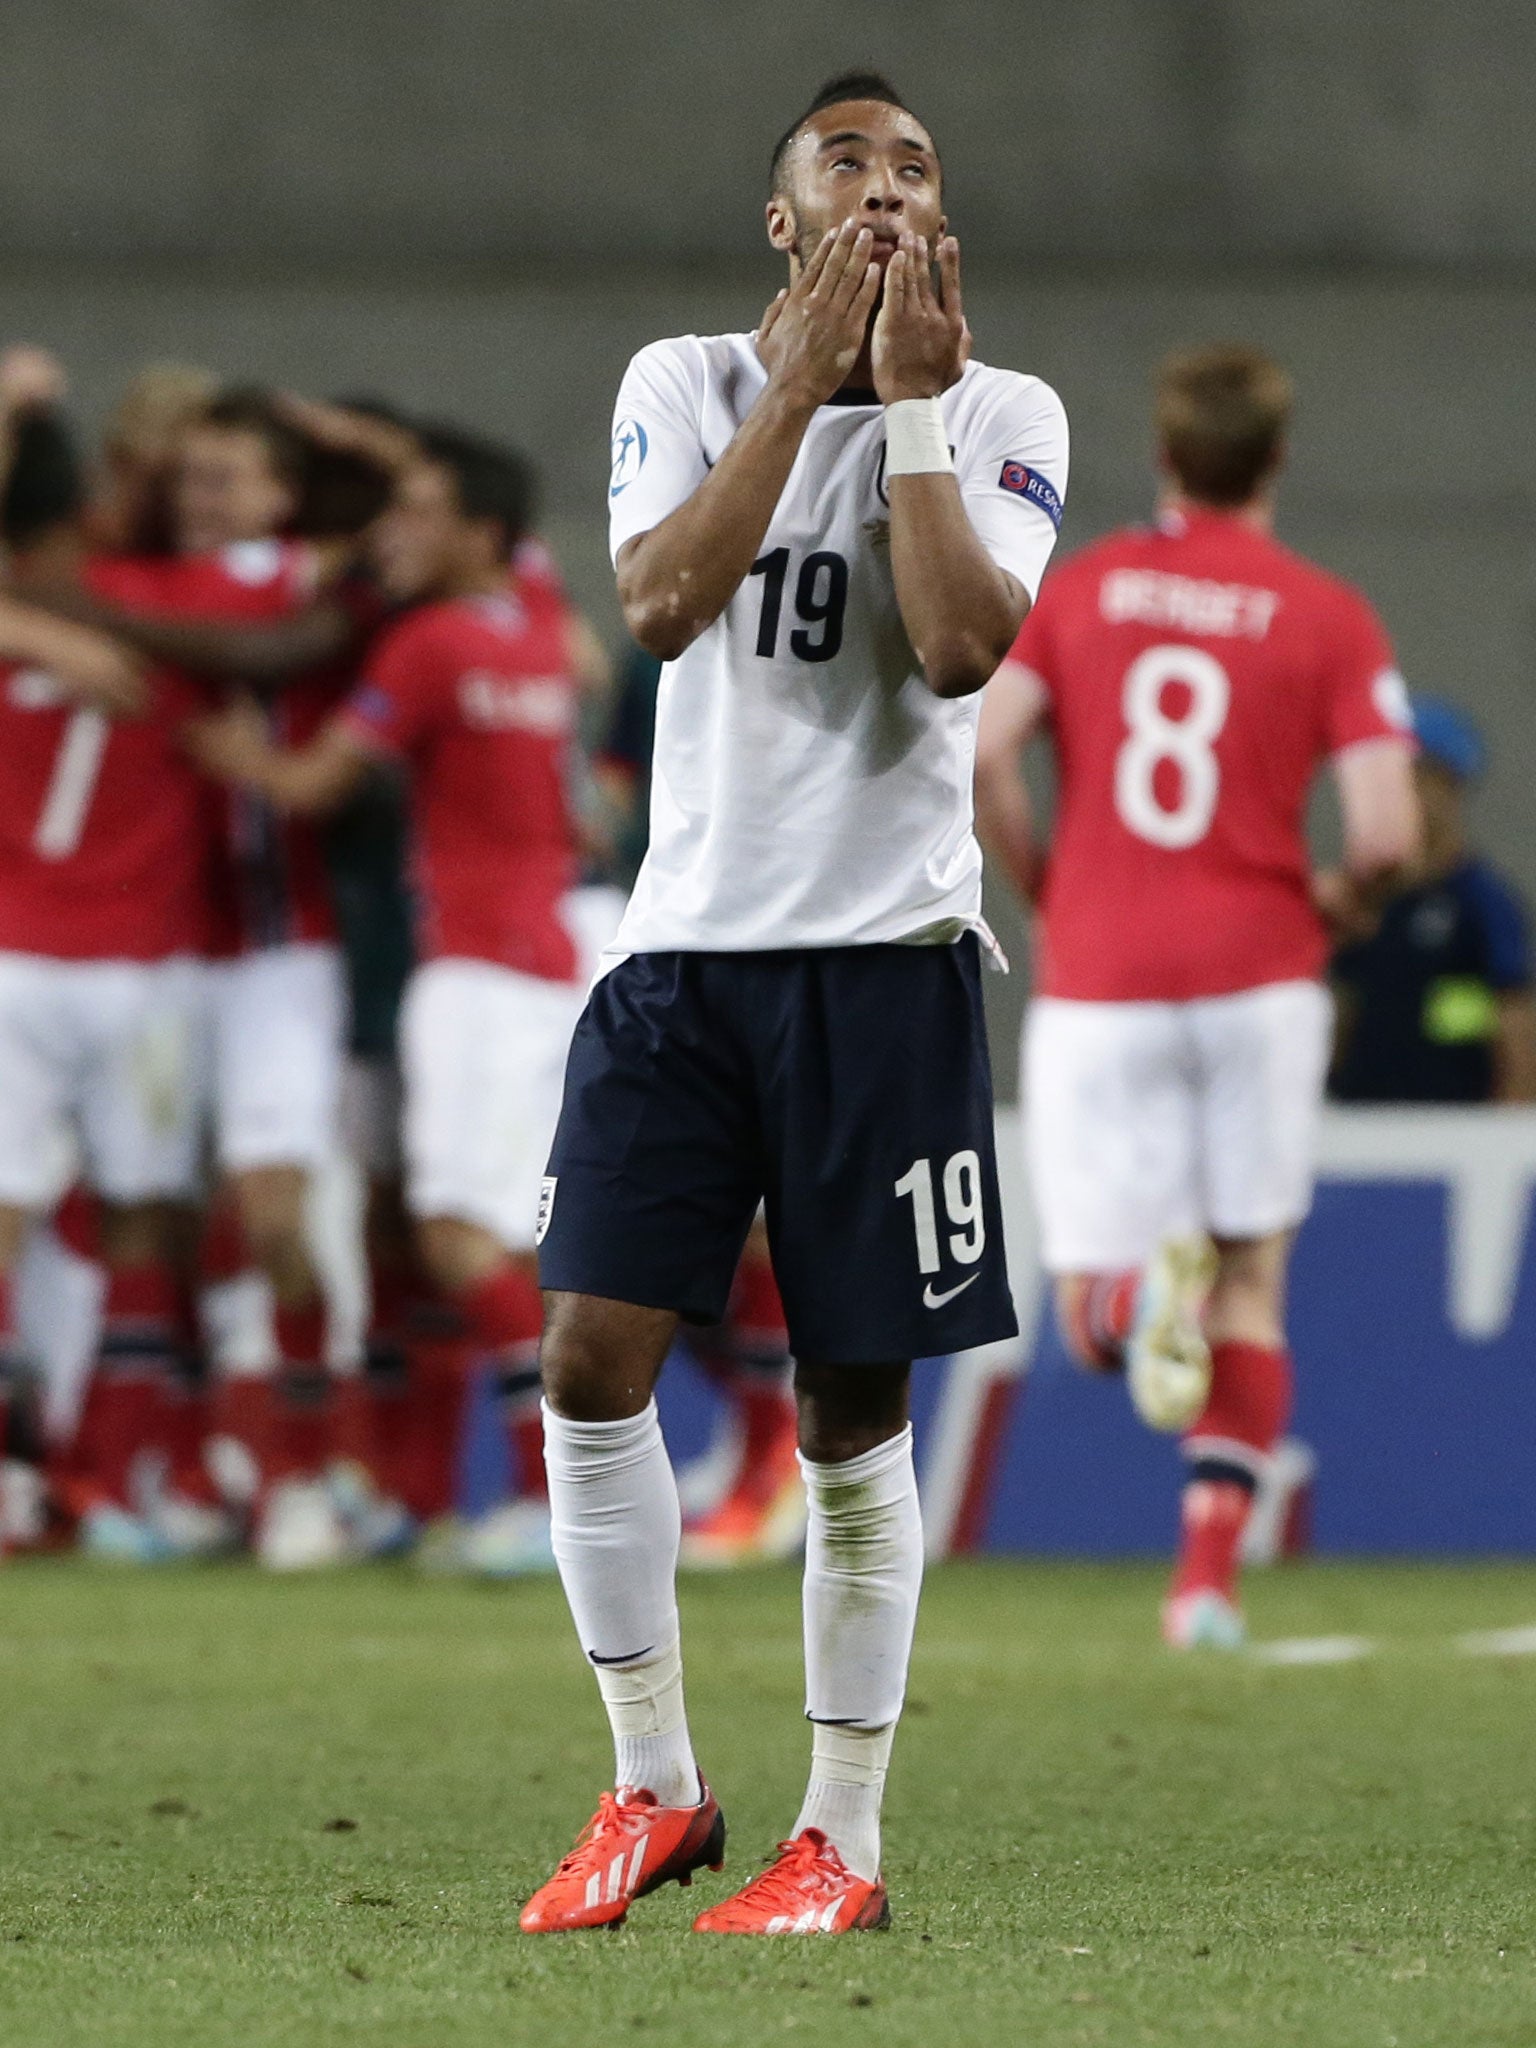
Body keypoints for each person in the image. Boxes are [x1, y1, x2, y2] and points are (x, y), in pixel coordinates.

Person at [520, 71, 1067, 1936]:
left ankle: (841, 1834)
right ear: (785, 220)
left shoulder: (1003, 409)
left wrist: (903, 411)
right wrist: (793, 388)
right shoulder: (676, 381)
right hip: (680, 963)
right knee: (587, 1365)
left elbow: (959, 645)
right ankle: (654, 1785)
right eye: (850, 165)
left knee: (850, 1417)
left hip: (884, 977)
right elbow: (663, 601)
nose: (889, 188)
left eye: (917, 166)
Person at [974, 343, 1419, 1650]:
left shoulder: (1087, 591)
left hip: (1103, 976)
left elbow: (987, 749)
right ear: (1276, 459)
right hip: (1262, 974)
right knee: (1252, 1289)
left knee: (1095, 1312)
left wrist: (1051, 886)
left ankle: (1127, 1305)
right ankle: (1205, 1585)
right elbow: (1386, 828)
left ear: (1165, 457)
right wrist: (1342, 896)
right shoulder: (1328, 612)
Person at [187, 427, 589, 1574]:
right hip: (546, 955)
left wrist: (225, 750)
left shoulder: (429, 643)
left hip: (469, 967)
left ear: (476, 531)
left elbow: (317, 781)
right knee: (502, 1235)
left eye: (420, 507)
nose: (395, 529)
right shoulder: (543, 640)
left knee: (461, 1235)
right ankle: (508, 1493)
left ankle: (547, 1499)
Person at [0, 390, 217, 1558]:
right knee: (137, 1217)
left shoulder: (53, 601)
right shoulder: (179, 605)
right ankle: (93, 1474)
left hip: (59, 961)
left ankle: (83, 1473)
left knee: (126, 1215)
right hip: (112, 966)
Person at [1331, 697, 1536, 1103]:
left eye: (1416, 775)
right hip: (1361, 1126)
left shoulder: (1484, 904)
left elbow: (1516, 1023)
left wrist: (1511, 1138)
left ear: (1450, 785)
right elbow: (1344, 1010)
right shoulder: (1366, 897)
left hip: (1452, 1130)